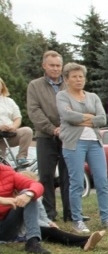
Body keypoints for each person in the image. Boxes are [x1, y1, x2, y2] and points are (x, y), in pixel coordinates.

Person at [56, 63, 108, 234]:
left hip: (95, 143)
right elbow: (68, 116)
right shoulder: (62, 96)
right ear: (67, 79)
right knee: (76, 182)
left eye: (81, 76)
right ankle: (77, 220)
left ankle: (106, 218)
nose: (78, 79)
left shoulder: (93, 97)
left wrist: (81, 119)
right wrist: (89, 118)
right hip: (73, 143)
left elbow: (102, 119)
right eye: (74, 76)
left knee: (102, 181)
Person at [26, 50, 72, 223]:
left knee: (69, 175)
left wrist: (67, 128)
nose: (55, 69)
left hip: (68, 136)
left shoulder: (69, 84)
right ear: (44, 66)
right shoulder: (34, 86)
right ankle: (49, 214)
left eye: (58, 65)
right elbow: (34, 111)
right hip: (45, 136)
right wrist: (52, 129)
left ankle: (71, 212)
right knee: (46, 176)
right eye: (51, 65)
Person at [17, 170, 104, 251]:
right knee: (51, 232)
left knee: (52, 232)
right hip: (25, 231)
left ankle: (85, 241)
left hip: (35, 226)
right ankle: (84, 241)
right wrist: (47, 225)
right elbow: (30, 221)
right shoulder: (20, 199)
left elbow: (42, 216)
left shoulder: (35, 197)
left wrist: (49, 222)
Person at [0, 164, 51, 254]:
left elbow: (36, 185)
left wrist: (29, 194)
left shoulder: (8, 172)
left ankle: (32, 243)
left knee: (28, 193)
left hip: (6, 226)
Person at [0, 77, 34, 167]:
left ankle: (21, 157)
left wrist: (13, 127)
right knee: (2, 164)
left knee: (27, 131)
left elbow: (17, 117)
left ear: (2, 86)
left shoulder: (9, 101)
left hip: (10, 134)